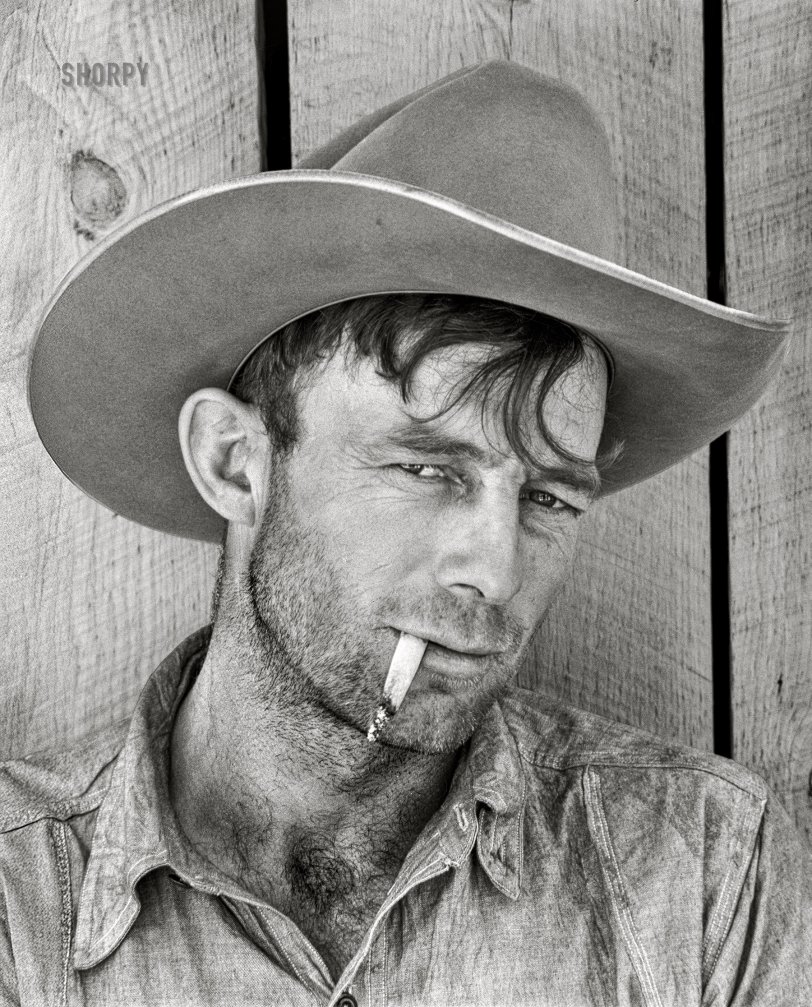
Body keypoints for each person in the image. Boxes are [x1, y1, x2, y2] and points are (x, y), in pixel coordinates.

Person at [3, 61, 810, 1006]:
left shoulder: (703, 874)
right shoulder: (22, 913)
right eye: (429, 470)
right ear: (236, 462)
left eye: (550, 497)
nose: (496, 570)